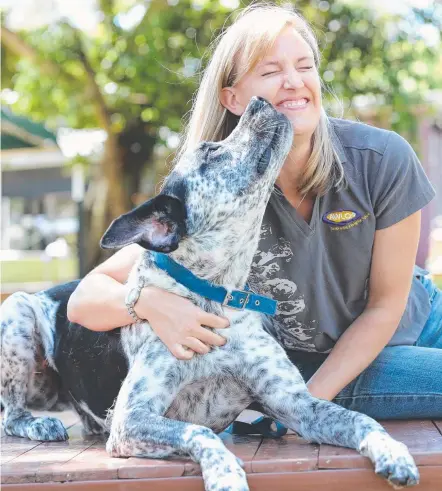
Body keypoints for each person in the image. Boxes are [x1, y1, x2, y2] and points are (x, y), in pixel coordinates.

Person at [67, 3, 441, 421]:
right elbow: (84, 299)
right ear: (232, 97)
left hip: (413, 318)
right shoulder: (216, 195)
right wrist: (149, 303)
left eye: (305, 66)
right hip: (327, 358)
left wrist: (301, 409)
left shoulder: (381, 158)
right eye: (270, 72)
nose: (294, 82)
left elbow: (385, 307)